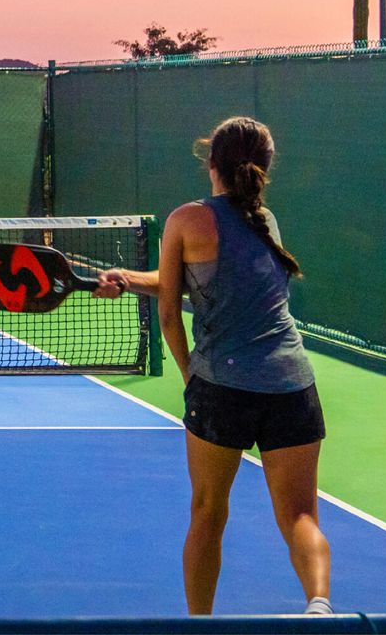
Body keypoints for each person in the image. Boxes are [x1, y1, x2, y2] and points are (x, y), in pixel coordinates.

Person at [97, 116, 331, 617]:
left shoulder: (185, 219)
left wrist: (190, 377)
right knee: (301, 515)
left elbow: (169, 311)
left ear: (211, 162)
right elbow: (187, 278)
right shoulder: (264, 221)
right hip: (292, 385)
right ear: (262, 168)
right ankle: (319, 604)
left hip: (221, 388)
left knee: (207, 512)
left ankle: (199, 626)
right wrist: (127, 277)